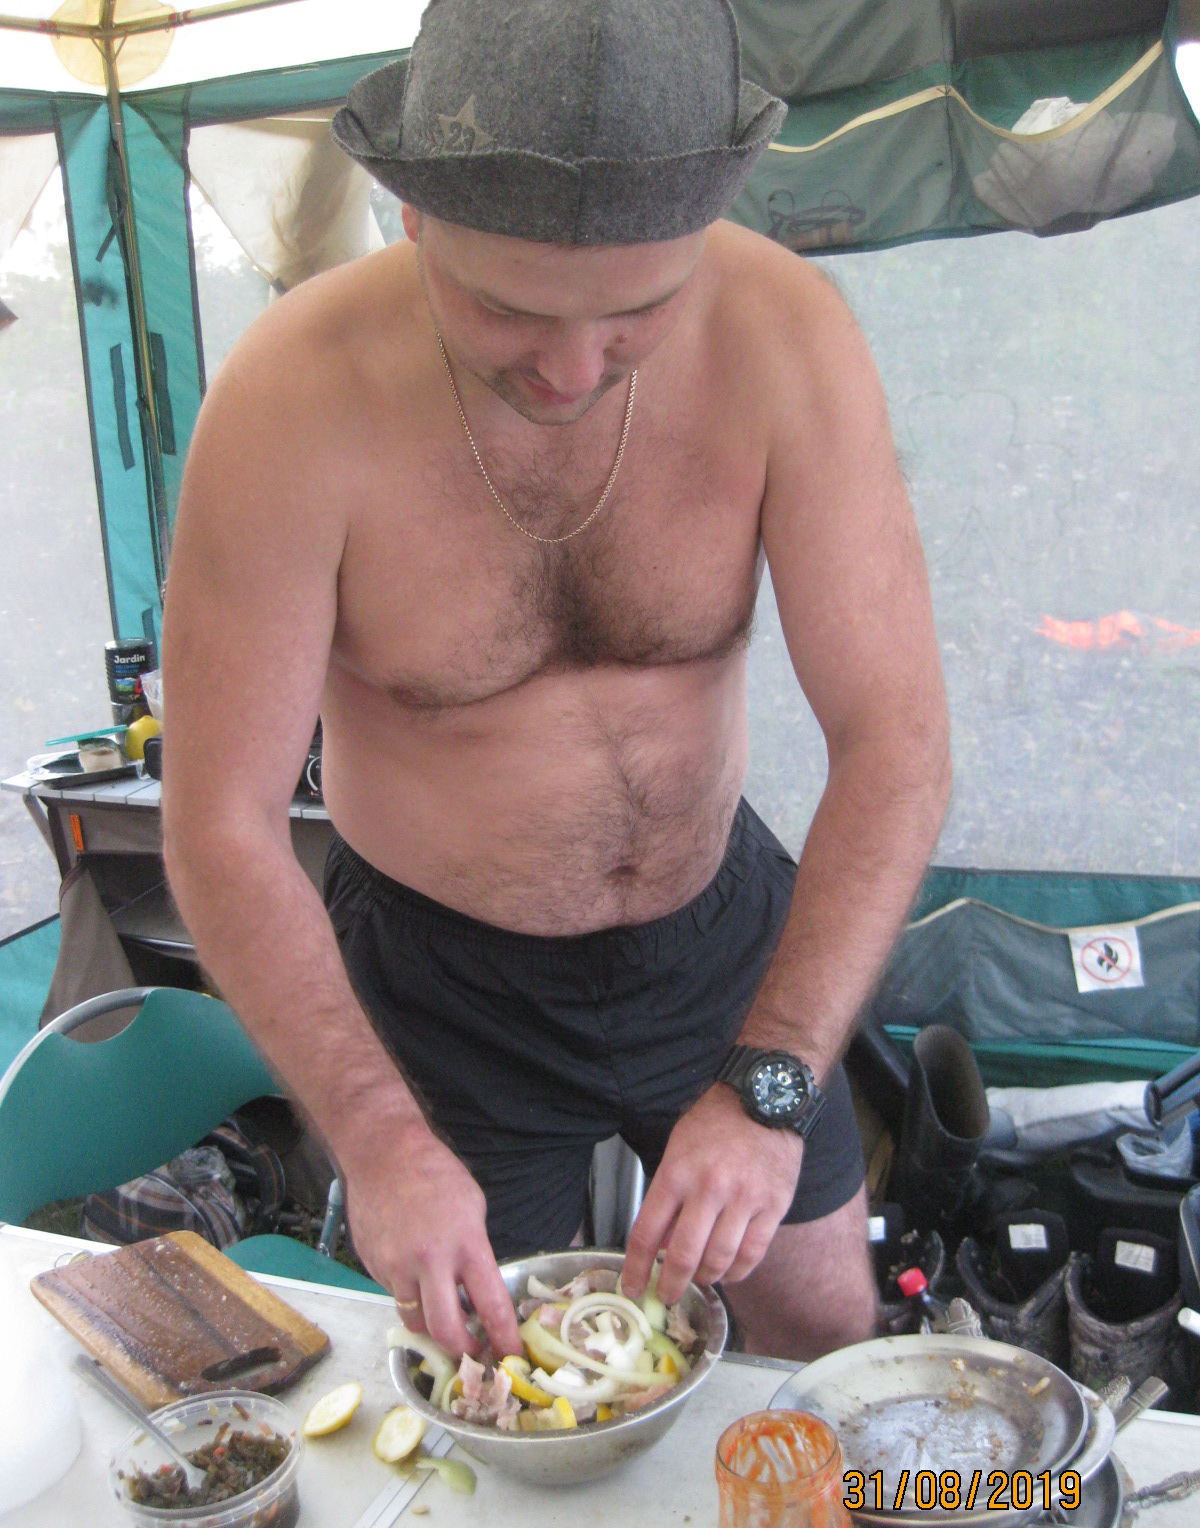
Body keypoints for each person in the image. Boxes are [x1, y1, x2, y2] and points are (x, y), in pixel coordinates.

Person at [162, 0, 951, 1363]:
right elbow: (221, 824)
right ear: (411, 213)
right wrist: (380, 1141)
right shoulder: (292, 401)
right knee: (487, 1381)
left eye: (640, 312)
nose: (573, 370)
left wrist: (770, 1088)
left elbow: (896, 744)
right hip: (438, 986)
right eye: (507, 309)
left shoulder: (787, 338)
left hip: (717, 939)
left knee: (827, 1337)